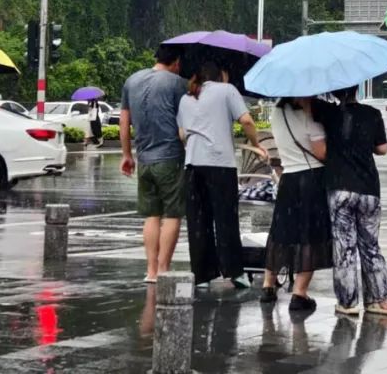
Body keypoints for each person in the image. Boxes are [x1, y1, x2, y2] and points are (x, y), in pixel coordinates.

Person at [177, 59, 266, 290]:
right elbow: (246, 120)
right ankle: (234, 272)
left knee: (199, 221)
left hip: (193, 165)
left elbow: (182, 133)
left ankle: (202, 274)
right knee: (225, 219)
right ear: (222, 74)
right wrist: (257, 144)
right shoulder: (227, 90)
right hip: (220, 165)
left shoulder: (187, 97)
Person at [313, 88, 387, 318]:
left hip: (340, 187)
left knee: (344, 247)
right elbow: (382, 149)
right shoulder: (372, 113)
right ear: (357, 88)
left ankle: (348, 303)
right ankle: (380, 301)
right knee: (371, 246)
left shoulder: (328, 113)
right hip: (369, 188)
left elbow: (307, 103)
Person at [120, 44, 189, 283]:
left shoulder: (132, 81)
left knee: (151, 215)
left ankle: (150, 271)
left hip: (144, 159)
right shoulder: (178, 83)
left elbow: (124, 120)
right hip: (170, 157)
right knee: (172, 214)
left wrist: (127, 154)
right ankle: (163, 268)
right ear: (177, 62)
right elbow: (185, 121)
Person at [260, 97, 332, 313]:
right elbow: (321, 153)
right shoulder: (309, 116)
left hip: (288, 179)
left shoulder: (277, 113)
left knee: (281, 234)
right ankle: (299, 293)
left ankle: (267, 286)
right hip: (311, 179)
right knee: (309, 236)